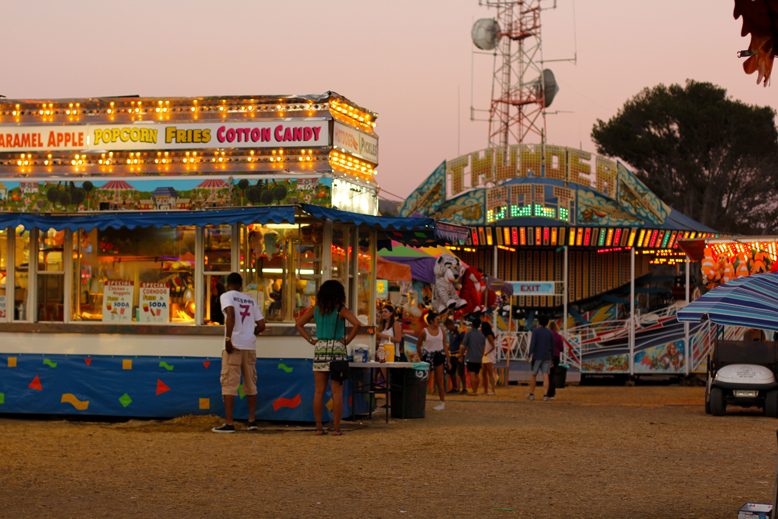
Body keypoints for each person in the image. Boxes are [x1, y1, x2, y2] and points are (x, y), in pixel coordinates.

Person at [295, 280, 361, 436]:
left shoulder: (316, 310)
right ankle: (336, 428)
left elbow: (299, 324)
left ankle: (319, 427)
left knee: (319, 392)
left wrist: (311, 340)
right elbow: (357, 324)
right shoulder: (341, 310)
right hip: (337, 350)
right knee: (337, 392)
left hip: (320, 349)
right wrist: (347, 340)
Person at [212, 272, 266, 433]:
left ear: (228, 284)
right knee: (250, 383)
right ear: (241, 285)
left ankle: (229, 423)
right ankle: (252, 421)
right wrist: (250, 334)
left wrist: (229, 339)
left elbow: (231, 314)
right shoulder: (251, 300)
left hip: (233, 346)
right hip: (249, 346)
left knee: (229, 384)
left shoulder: (227, 296)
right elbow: (262, 325)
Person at [416, 312, 450, 410]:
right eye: (437, 320)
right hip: (427, 355)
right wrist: (421, 356)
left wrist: (448, 359)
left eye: (440, 320)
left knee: (439, 380)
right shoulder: (424, 331)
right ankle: (421, 402)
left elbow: (445, 346)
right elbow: (418, 345)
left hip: (439, 355)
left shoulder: (442, 331)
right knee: (425, 380)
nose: (439, 322)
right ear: (431, 321)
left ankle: (442, 402)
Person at [527, 315, 555, 401]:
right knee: (546, 375)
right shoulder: (550, 332)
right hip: (547, 356)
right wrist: (552, 358)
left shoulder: (536, 331)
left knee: (534, 374)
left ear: (539, 322)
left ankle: (532, 394)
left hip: (537, 355)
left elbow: (533, 343)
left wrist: (529, 354)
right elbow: (552, 346)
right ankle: (545, 395)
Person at [460, 318, 486, 396]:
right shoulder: (482, 335)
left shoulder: (469, 334)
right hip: (479, 357)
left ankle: (474, 391)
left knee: (472, 374)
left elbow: (464, 346)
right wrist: (481, 355)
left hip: (471, 356)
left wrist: (461, 355)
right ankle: (476, 390)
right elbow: (483, 347)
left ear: (472, 325)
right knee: (477, 374)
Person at [444, 319, 466, 393]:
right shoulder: (450, 333)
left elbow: (464, 342)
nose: (447, 329)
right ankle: (455, 388)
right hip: (451, 353)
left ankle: (464, 388)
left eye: (447, 327)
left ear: (450, 325)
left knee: (461, 372)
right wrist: (446, 350)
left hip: (459, 354)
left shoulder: (460, 331)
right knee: (451, 372)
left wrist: (462, 354)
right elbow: (451, 343)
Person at [547, 321, 565, 400]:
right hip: (556, 356)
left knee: (547, 375)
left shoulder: (547, 336)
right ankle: (551, 393)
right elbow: (562, 348)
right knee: (552, 374)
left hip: (547, 356)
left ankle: (547, 392)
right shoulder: (558, 336)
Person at [481, 322, 497, 395]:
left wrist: (487, 352)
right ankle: (485, 390)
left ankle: (493, 390)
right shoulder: (484, 336)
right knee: (484, 373)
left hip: (489, 356)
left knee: (490, 373)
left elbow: (493, 346)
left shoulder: (489, 336)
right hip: (484, 355)